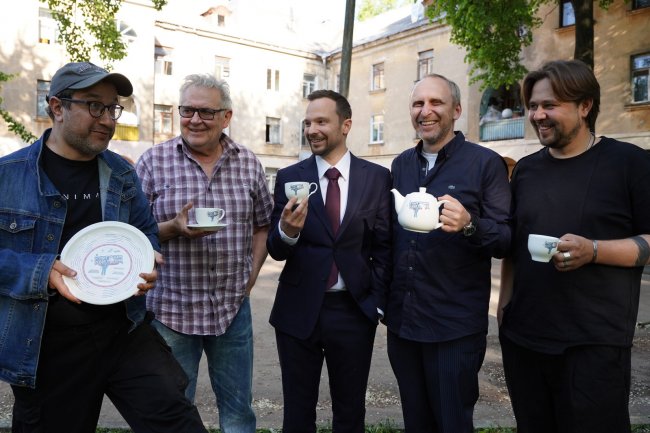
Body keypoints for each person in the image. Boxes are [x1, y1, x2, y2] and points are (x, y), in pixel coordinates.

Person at [0, 62, 207, 433]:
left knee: (179, 423)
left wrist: (146, 262)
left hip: (123, 329)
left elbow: (145, 232)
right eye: (95, 106)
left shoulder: (122, 173)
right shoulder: (8, 175)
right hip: (48, 342)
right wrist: (39, 270)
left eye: (113, 108)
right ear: (57, 107)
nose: (108, 120)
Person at [497, 59, 650, 433]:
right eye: (533, 106)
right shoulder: (526, 170)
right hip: (524, 339)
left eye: (550, 105)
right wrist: (504, 309)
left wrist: (594, 250)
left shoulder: (629, 163)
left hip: (594, 345)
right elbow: (516, 245)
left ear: (585, 106)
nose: (538, 115)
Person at [136, 73, 273, 433]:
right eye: (187, 110)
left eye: (206, 112)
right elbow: (130, 235)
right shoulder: (152, 162)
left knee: (238, 412)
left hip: (232, 309)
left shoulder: (248, 163)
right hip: (171, 312)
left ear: (226, 117)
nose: (195, 120)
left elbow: (263, 225)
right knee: (173, 410)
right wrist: (173, 228)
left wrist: (251, 278)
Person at [386, 74, 511, 432]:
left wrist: (471, 224)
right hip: (403, 323)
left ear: (456, 110)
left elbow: (505, 239)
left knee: (452, 423)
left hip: (453, 328)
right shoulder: (401, 165)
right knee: (416, 423)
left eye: (435, 102)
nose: (425, 111)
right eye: (418, 103)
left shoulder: (485, 163)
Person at [266, 90, 392, 433]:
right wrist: (287, 231)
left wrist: (377, 303)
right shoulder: (289, 177)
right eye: (308, 123)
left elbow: (384, 247)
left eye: (321, 121)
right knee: (297, 413)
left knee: (350, 413)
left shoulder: (376, 178)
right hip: (297, 311)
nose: (312, 130)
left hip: (354, 310)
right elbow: (276, 249)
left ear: (345, 125)